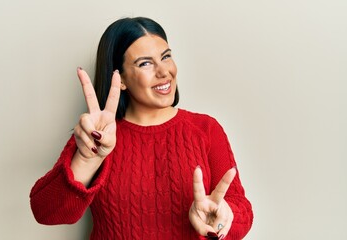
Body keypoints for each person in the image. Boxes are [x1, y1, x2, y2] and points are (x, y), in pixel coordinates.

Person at [30, 17, 253, 240]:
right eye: (145, 63)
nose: (164, 71)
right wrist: (88, 159)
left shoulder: (206, 129)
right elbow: (46, 213)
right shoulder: (97, 136)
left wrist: (225, 216)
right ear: (121, 79)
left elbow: (241, 209)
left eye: (166, 57)